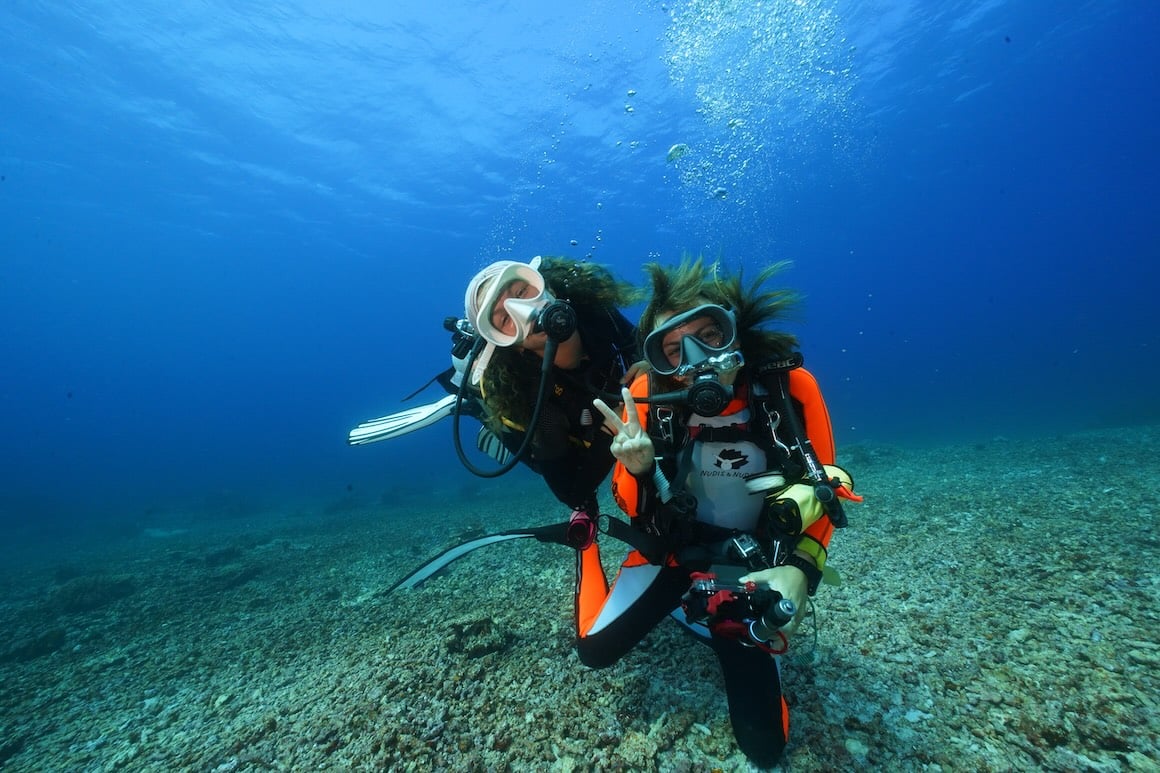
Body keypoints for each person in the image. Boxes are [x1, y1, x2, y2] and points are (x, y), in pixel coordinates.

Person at [585, 256, 861, 768]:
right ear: (658, 361)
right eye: (673, 349)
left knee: (763, 746)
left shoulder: (789, 388)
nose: (697, 359)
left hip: (748, 564)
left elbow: (823, 487)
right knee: (594, 652)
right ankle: (589, 552)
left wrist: (800, 570)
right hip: (673, 553)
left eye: (711, 335)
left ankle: (715, 619)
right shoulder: (648, 398)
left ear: (737, 331)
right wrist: (639, 468)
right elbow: (632, 506)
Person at [462, 255, 642, 520]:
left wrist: (651, 363)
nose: (526, 312)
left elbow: (636, 343)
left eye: (522, 291)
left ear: (548, 288)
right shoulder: (537, 400)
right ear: (510, 344)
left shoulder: (595, 313)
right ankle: (477, 409)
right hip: (562, 433)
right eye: (504, 320)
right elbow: (571, 493)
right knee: (546, 459)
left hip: (596, 406)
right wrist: (610, 430)